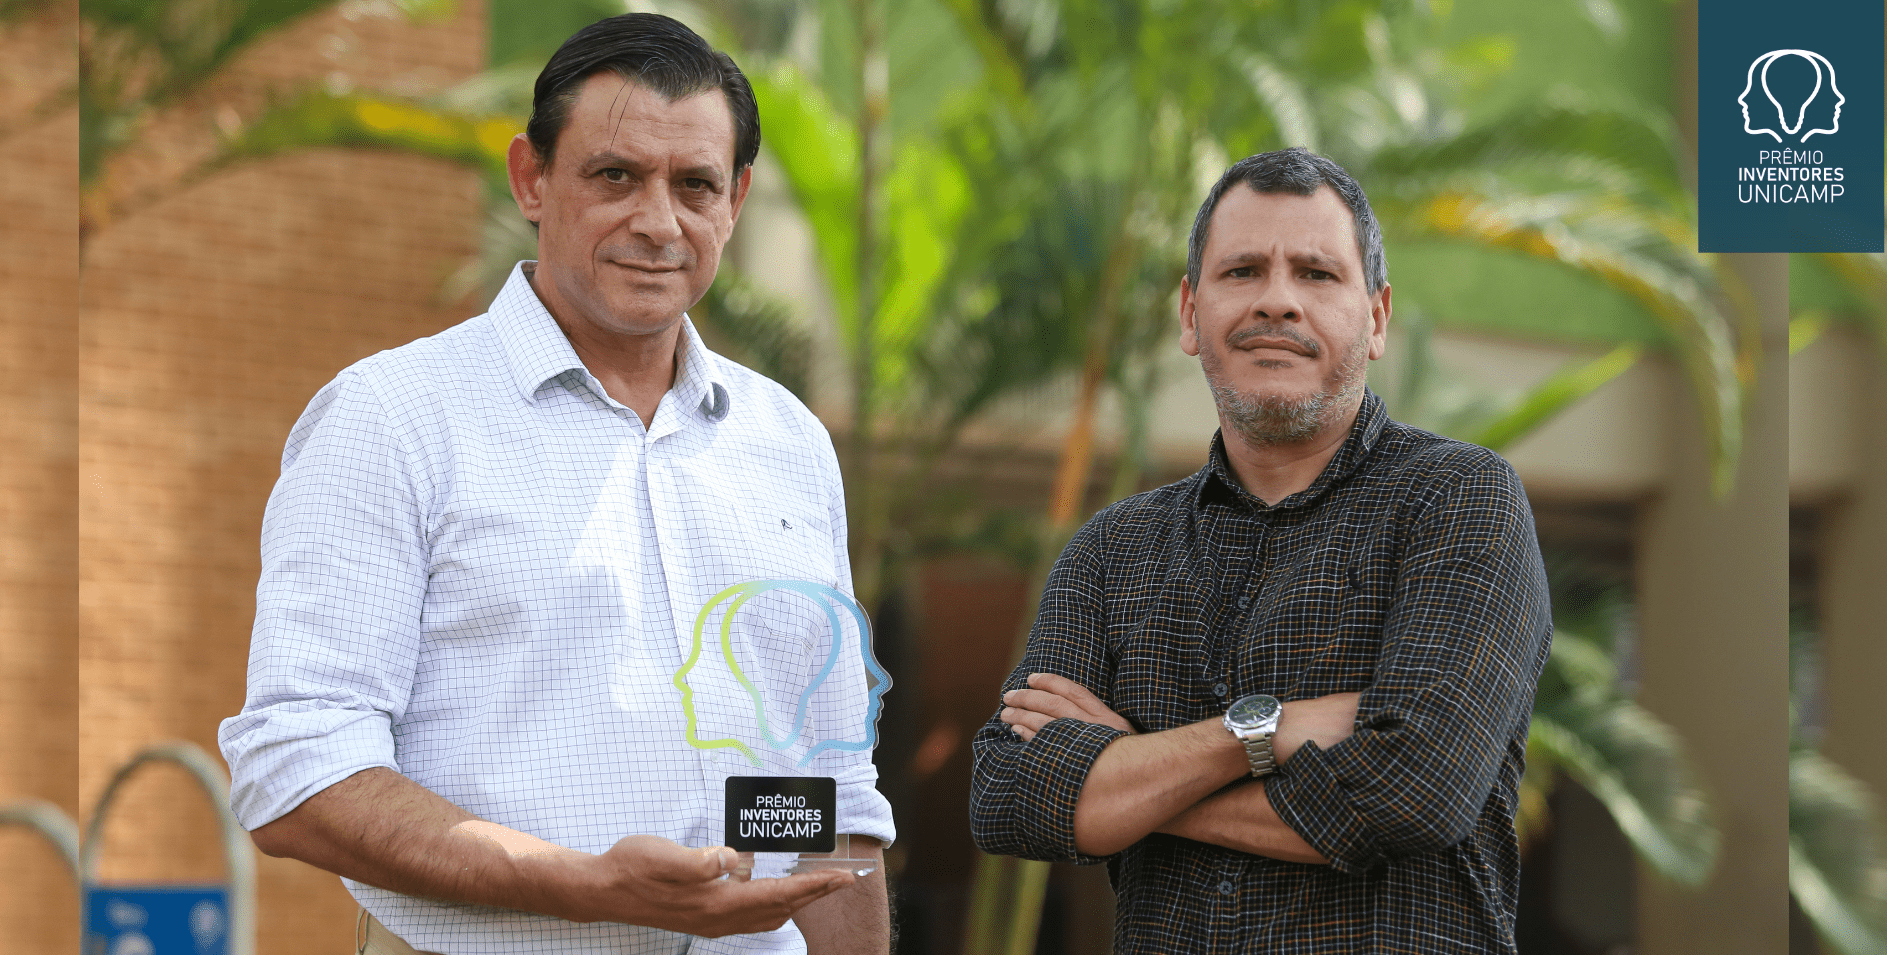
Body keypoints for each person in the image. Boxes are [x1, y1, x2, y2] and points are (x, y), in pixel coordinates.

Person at [218, 14, 890, 955]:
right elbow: (299, 771)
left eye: (694, 185)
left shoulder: (788, 443)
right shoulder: (393, 417)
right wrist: (589, 887)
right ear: (532, 179)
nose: (658, 222)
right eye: (616, 175)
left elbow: (824, 784)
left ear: (734, 200)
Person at [969, 147, 1552, 952]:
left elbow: (1417, 788)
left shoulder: (1457, 499)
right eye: (1243, 271)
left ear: (1377, 317)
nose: (1277, 300)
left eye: (1316, 273)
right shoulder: (1112, 550)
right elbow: (1009, 795)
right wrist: (1265, 730)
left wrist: (1127, 772)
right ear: (1189, 311)